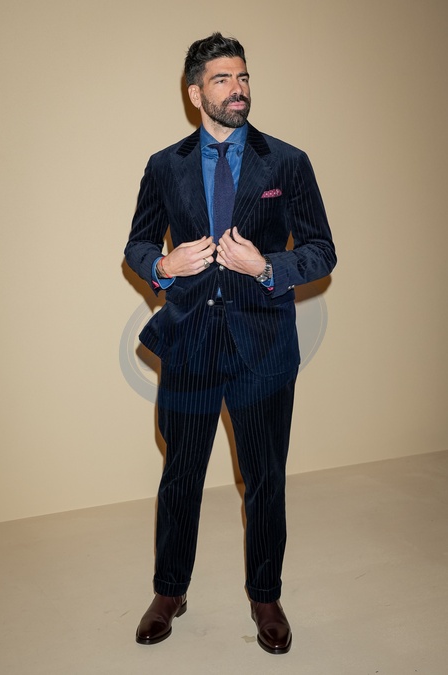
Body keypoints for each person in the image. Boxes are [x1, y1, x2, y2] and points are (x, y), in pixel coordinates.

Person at [124, 32, 336, 655]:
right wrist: (164, 267)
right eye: (222, 79)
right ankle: (169, 591)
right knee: (180, 475)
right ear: (195, 94)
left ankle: (266, 596)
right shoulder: (164, 166)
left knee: (265, 477)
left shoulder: (287, 162)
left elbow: (322, 250)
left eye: (242, 77)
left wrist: (266, 267)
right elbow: (138, 244)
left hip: (263, 348)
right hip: (189, 344)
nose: (237, 88)